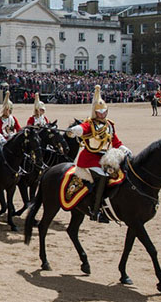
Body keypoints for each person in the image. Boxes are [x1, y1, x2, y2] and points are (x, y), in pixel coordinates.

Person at [67, 85, 131, 223]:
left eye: (104, 111)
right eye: (99, 112)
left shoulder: (109, 125)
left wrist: (124, 149)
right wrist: (75, 130)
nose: (102, 114)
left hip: (104, 158)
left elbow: (116, 142)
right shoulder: (89, 124)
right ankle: (95, 211)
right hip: (89, 159)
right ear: (95, 112)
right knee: (102, 177)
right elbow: (82, 129)